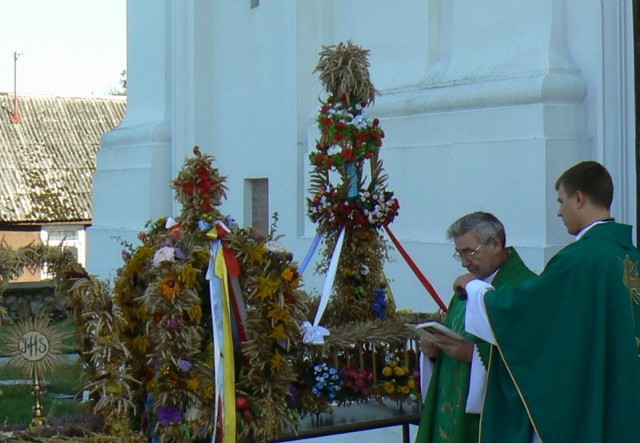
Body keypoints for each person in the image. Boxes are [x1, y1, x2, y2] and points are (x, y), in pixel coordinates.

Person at [460, 160, 640, 442]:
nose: (559, 212)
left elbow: (527, 318)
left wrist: (475, 290)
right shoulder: (632, 256)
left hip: (590, 402)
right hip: (626, 396)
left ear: (579, 198)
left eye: (561, 201)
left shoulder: (578, 260)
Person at [415, 211, 535, 443]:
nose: (464, 262)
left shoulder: (526, 289)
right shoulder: (467, 288)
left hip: (492, 420)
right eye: (459, 254)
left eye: (470, 252)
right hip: (451, 412)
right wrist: (433, 353)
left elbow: (530, 359)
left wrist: (474, 354)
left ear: (496, 243)